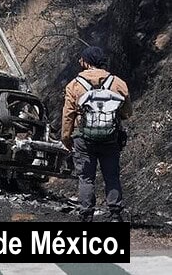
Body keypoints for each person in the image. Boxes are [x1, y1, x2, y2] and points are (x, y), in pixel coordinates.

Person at [61, 46, 132, 222]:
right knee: (112, 176)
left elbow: (68, 115)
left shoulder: (74, 85)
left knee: (86, 178)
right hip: (111, 138)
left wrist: (66, 138)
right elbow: (127, 113)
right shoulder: (118, 83)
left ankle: (86, 215)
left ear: (86, 62)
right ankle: (115, 214)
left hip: (83, 139)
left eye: (81, 60)